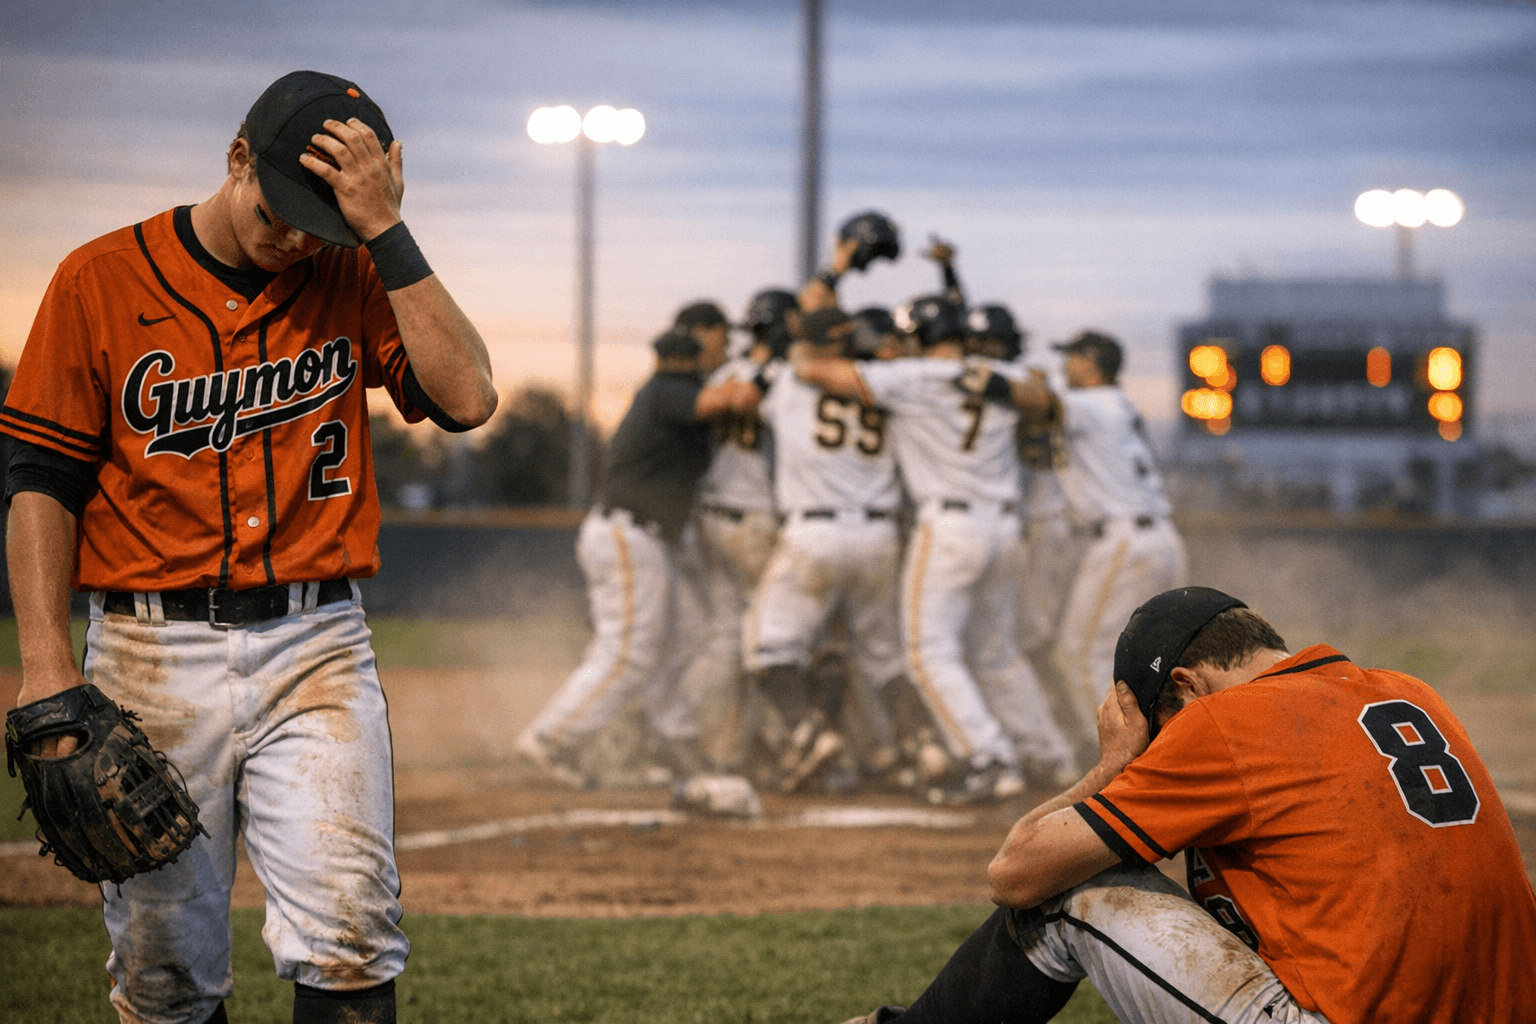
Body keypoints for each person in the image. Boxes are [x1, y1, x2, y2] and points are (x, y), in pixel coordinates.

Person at [1, 71, 498, 1023]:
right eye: (285, 211)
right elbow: (43, 482)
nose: (302, 239)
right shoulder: (97, 278)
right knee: (166, 975)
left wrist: (385, 233)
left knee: (351, 937)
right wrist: (45, 668)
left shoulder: (354, 271)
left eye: (328, 222)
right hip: (149, 653)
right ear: (237, 159)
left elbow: (468, 398)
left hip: (316, 645)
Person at [839, 586, 1536, 1024]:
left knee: (1069, 893)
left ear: (1184, 684)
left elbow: (1015, 873)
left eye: (1156, 727)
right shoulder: (1409, 691)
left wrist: (1115, 765)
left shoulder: (1226, 722)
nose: (1156, 751)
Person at [794, 296, 1078, 804]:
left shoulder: (910, 375)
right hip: (1004, 527)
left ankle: (989, 756)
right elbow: (1048, 402)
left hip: (948, 526)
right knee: (996, 653)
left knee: (928, 653)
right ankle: (1048, 753)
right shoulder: (997, 372)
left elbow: (815, 372)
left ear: (920, 336)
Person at [517, 316, 746, 785]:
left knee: (687, 636)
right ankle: (549, 738)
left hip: (648, 539)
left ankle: (671, 739)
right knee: (628, 651)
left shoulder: (667, 394)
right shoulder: (666, 389)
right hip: (628, 534)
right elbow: (721, 401)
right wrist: (757, 367)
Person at [979, 330, 1188, 746]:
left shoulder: (1092, 405)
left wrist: (991, 379)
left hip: (1126, 541)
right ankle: (1167, 749)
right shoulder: (1119, 405)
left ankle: (1123, 757)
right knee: (1154, 663)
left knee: (1078, 653)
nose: (1064, 366)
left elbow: (1037, 403)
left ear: (1090, 364)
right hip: (1159, 539)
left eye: (1071, 358)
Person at [737, 307, 908, 792]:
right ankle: (922, 749)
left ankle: (809, 733)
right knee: (884, 658)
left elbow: (746, 399)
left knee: (768, 646)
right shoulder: (881, 381)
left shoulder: (789, 381)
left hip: (814, 533)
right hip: (879, 535)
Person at [678, 289, 795, 768]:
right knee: (774, 637)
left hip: (713, 517)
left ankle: (687, 727)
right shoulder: (785, 379)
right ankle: (782, 741)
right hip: (755, 522)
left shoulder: (724, 374)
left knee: (727, 636)